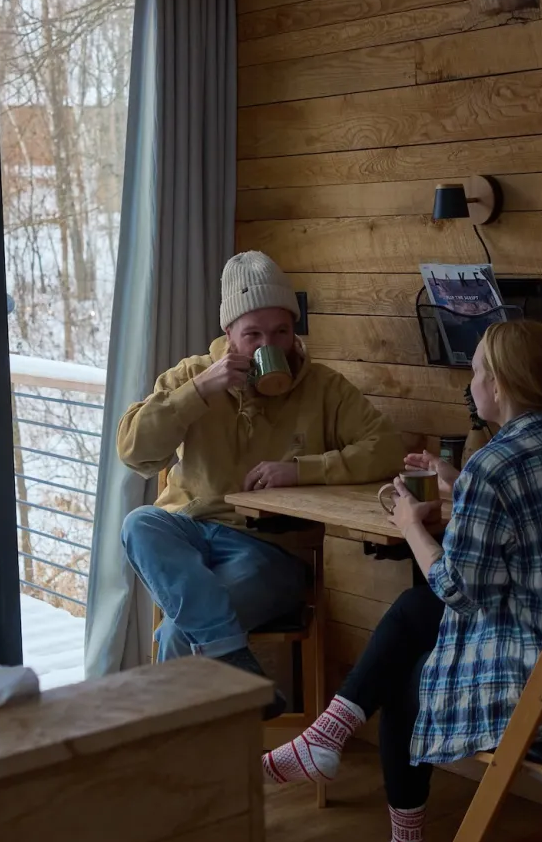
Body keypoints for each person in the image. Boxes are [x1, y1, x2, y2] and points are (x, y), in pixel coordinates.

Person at [261, 320, 542, 842]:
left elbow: (459, 588)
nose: (471, 381)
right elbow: (529, 520)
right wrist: (458, 482)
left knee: (405, 679)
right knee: (414, 612)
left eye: (477, 370)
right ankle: (327, 736)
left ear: (500, 385)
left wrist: (411, 524)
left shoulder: (496, 465)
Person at [117, 251, 406, 716]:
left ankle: (184, 751)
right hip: (191, 533)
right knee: (139, 522)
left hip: (271, 551)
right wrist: (199, 392)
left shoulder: (323, 388)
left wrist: (303, 470)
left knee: (178, 634)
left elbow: (387, 447)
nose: (269, 345)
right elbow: (134, 451)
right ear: (228, 333)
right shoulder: (192, 376)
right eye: (253, 335)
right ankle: (231, 658)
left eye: (281, 332)